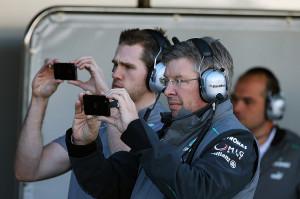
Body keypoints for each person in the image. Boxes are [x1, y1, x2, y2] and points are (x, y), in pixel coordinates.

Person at [66, 37, 260, 199]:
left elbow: (196, 191)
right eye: (166, 81)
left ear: (213, 85)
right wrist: (84, 146)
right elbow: (111, 188)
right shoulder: (163, 134)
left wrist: (136, 130)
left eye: (179, 81)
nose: (167, 91)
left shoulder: (235, 140)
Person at [15, 28, 170, 199]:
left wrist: (108, 102)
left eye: (128, 67)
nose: (115, 73)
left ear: (156, 76)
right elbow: (28, 171)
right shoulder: (98, 120)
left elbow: (125, 177)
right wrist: (39, 98)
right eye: (115, 64)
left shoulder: (166, 127)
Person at [232, 67, 300, 199]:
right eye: (234, 99)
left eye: (248, 101)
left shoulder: (296, 154)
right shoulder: (218, 145)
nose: (236, 108)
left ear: (273, 107)